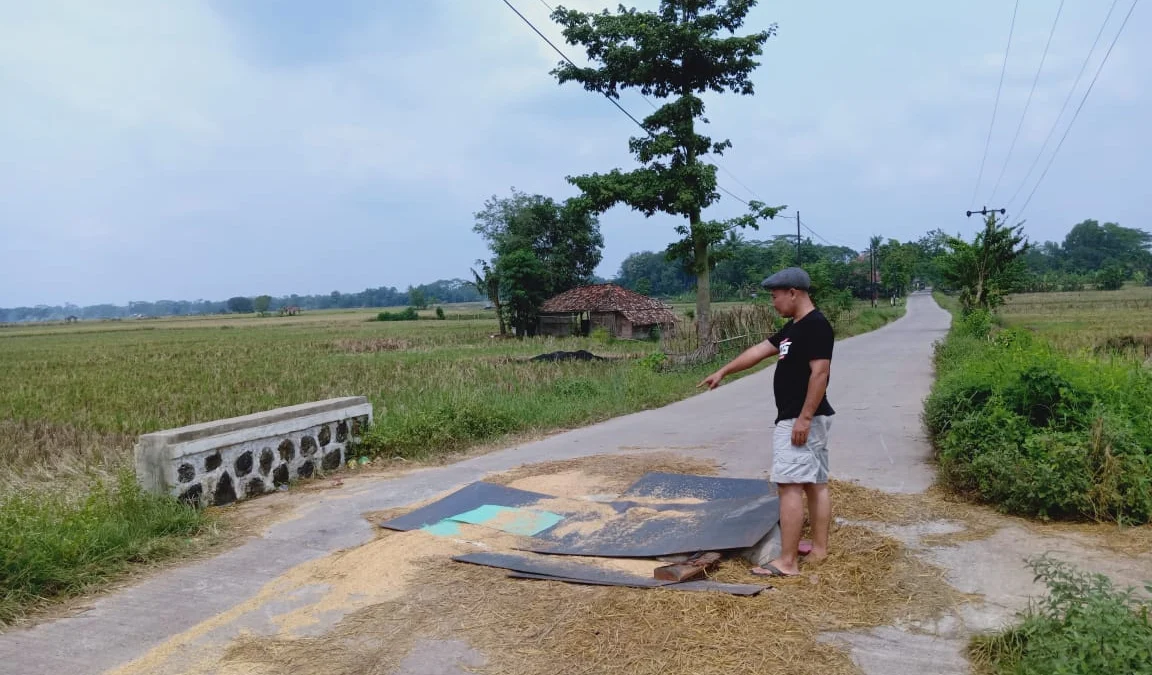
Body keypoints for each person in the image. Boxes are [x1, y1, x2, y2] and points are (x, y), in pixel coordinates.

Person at [698, 267, 835, 577]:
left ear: (793, 293)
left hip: (801, 420)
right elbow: (759, 351)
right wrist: (723, 371)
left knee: (789, 487)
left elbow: (820, 373)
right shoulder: (794, 328)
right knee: (815, 484)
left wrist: (804, 417)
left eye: (775, 297)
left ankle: (787, 562)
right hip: (803, 418)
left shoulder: (816, 325)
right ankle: (818, 550)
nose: (773, 303)